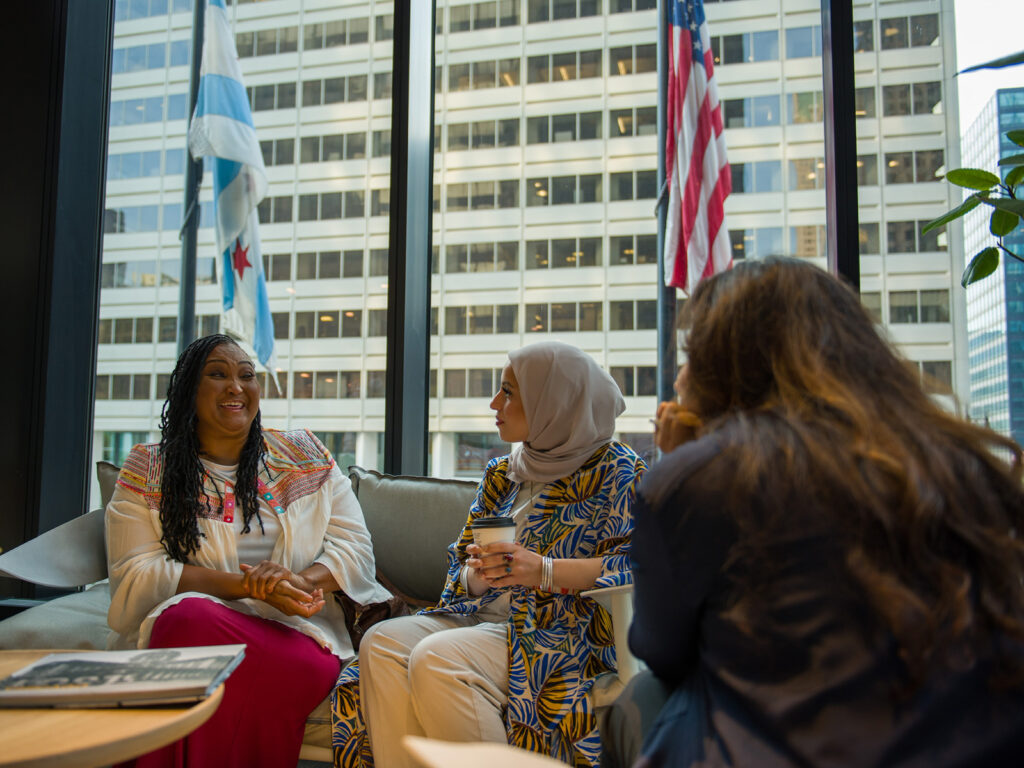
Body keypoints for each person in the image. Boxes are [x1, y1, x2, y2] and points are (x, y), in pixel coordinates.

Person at [626, 258, 1024, 767]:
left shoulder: (709, 476)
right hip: (988, 741)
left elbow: (660, 648)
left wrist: (680, 460)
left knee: (642, 700)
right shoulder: (957, 460)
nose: (679, 380)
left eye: (691, 357)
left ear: (725, 365)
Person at [330, 341, 647, 768]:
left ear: (552, 401)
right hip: (482, 618)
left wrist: (544, 570)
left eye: (509, 392)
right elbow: (459, 563)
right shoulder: (503, 473)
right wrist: (477, 576)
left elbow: (638, 566)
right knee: (382, 642)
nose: (494, 402)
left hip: (561, 629)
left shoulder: (619, 472)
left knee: (438, 659)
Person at [105, 334, 392, 768]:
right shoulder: (149, 470)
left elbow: (356, 551)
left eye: (247, 375)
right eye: (218, 374)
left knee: (188, 629)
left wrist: (296, 581)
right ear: (189, 390)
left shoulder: (303, 453)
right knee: (189, 621)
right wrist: (247, 587)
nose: (236, 387)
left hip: (302, 638)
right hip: (194, 630)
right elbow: (136, 576)